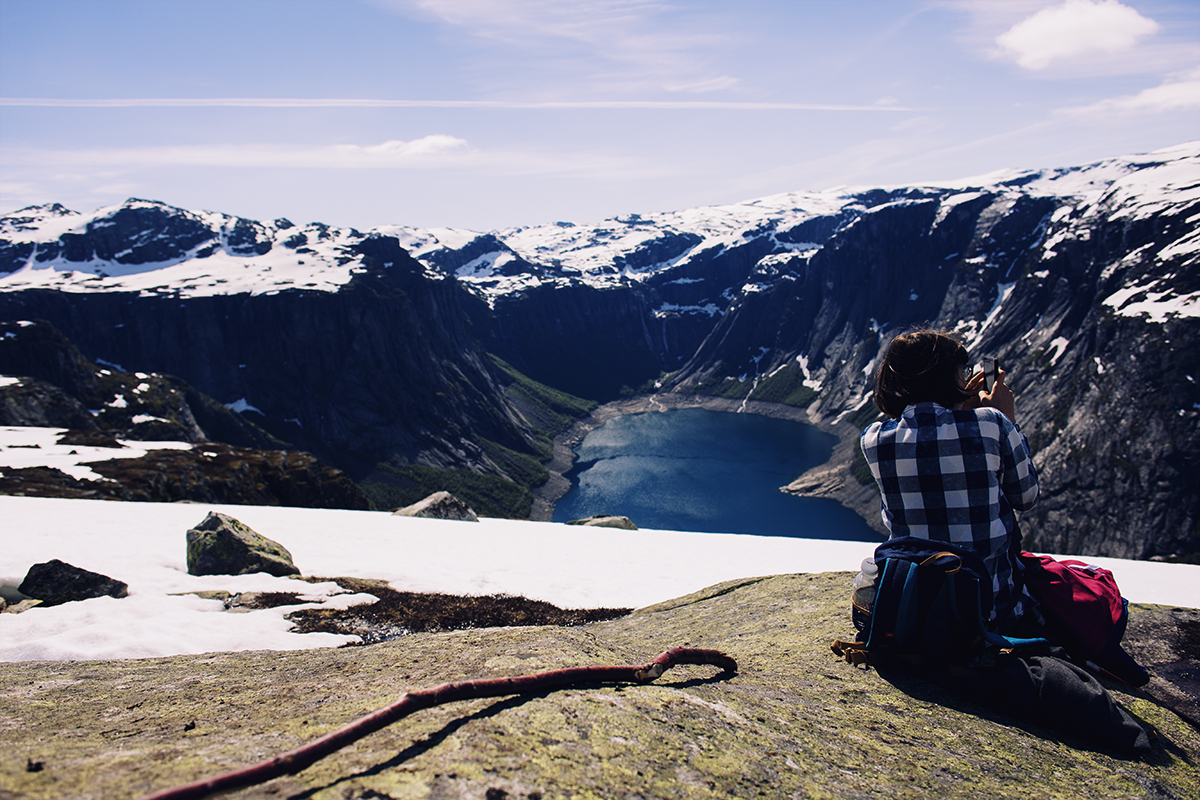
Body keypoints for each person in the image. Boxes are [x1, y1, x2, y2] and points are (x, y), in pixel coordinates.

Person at [859, 327, 1039, 632]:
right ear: (948, 376)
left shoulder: (874, 439)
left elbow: (932, 442)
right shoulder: (992, 423)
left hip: (913, 606)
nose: (966, 377)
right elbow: (1026, 496)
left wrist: (958, 411)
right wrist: (1006, 418)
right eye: (962, 371)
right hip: (992, 610)